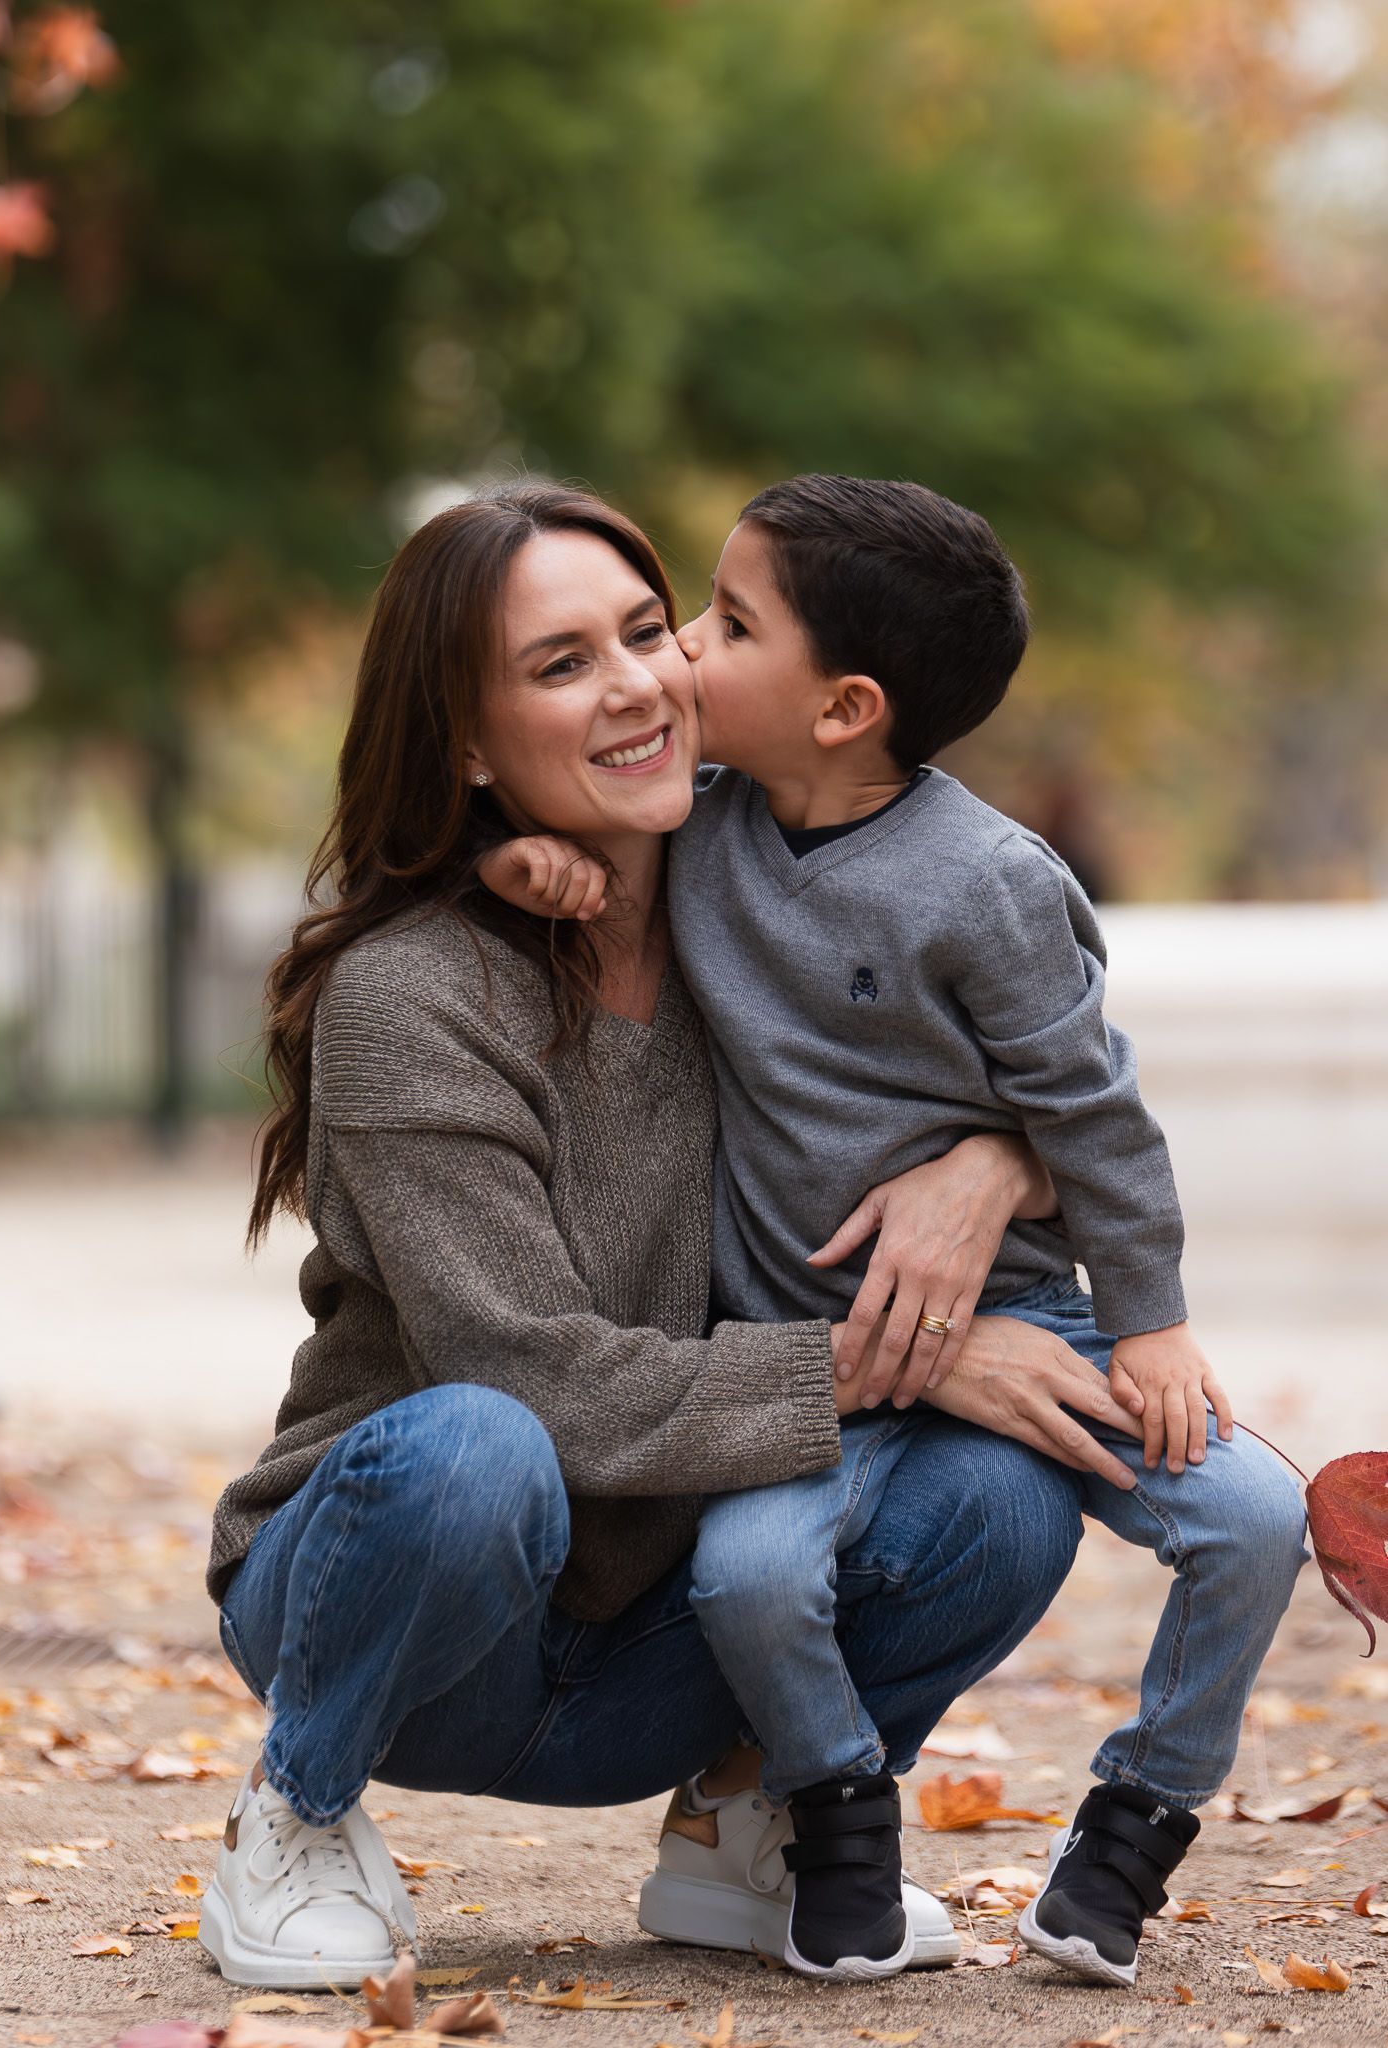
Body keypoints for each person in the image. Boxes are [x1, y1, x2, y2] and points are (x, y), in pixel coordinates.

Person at [195, 482, 1134, 1994]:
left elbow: (1068, 1075)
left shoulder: (763, 907)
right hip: (412, 1621)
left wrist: (997, 1163)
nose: (638, 680)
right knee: (480, 1445)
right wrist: (906, 1361)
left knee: (1006, 1497)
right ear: (468, 741)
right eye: (561, 664)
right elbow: (541, 1382)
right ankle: (294, 1813)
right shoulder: (412, 997)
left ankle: (751, 1814)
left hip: (671, 1638)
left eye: (650, 629)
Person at [480, 474, 1310, 1990]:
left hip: (1031, 1321)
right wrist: (514, 863)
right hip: (795, 1353)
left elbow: (1095, 1108)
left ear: (845, 708)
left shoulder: (989, 883)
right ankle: (835, 1819)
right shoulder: (700, 827)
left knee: (1258, 1520)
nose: (683, 649)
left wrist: (1152, 1320)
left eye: (728, 624)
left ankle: (1136, 1822)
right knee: (749, 1579)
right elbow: (534, 824)